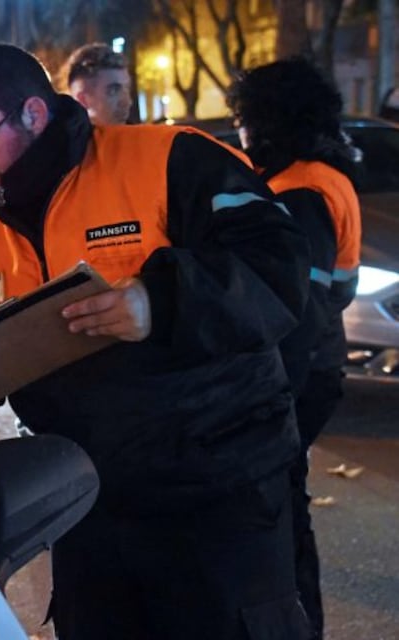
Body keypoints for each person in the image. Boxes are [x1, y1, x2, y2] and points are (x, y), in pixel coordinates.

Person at [0, 43, 312, 639]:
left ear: (32, 114)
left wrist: (157, 303)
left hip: (218, 499)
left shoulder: (167, 159)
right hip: (88, 510)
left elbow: (279, 266)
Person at [227, 58, 362, 640]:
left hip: (299, 376)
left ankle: (295, 625)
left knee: (277, 516)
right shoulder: (327, 178)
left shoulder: (301, 192)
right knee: (287, 505)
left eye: (244, 120)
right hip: (321, 365)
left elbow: (295, 312)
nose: (240, 133)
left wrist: (264, 401)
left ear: (266, 123)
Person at [65, 42, 132, 125]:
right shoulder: (59, 137)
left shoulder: (142, 136)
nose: (127, 102)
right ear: (83, 100)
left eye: (127, 89)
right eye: (113, 91)